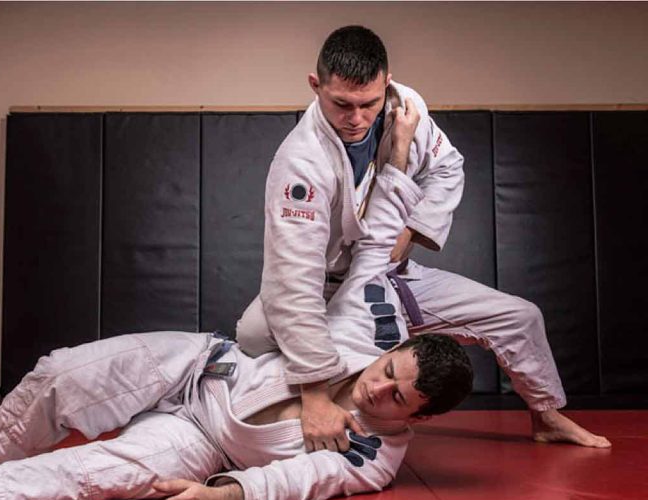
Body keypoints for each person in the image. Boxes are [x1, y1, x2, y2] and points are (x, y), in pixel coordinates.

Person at [0, 169, 474, 500]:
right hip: (201, 361)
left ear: (418, 418)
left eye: (399, 397)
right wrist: (394, 161)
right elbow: (373, 251)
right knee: (59, 373)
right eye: (389, 370)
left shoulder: (372, 456)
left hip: (203, 442)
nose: (379, 387)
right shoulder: (373, 330)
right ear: (395, 351)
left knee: (92, 475)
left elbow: (292, 481)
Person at [236, 25, 610, 450]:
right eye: (341, 104)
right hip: (326, 286)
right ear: (315, 85)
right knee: (254, 337)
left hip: (396, 273)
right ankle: (257, 419)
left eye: (368, 104)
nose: (356, 119)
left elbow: (448, 168)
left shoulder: (406, 108)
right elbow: (294, 281)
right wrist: (315, 396)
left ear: (387, 83)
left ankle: (547, 416)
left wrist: (413, 231)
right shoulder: (300, 164)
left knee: (520, 317)